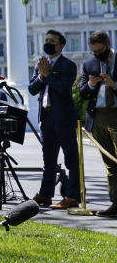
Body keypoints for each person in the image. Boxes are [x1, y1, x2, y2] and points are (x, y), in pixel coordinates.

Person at [28, 29, 80, 209]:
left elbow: (64, 89)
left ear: (61, 45)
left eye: (52, 41)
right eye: (47, 40)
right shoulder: (41, 64)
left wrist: (48, 75)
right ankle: (45, 194)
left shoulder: (68, 65)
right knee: (48, 160)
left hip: (64, 118)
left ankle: (72, 197)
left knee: (71, 159)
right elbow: (32, 89)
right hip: (46, 118)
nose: (48, 43)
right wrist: (42, 76)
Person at [78, 30, 117, 217]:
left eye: (100, 50)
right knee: (110, 164)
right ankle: (115, 203)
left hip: (115, 113)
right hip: (98, 116)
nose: (97, 54)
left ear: (107, 44)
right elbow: (83, 92)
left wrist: (114, 85)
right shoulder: (89, 64)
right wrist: (92, 84)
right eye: (94, 51)